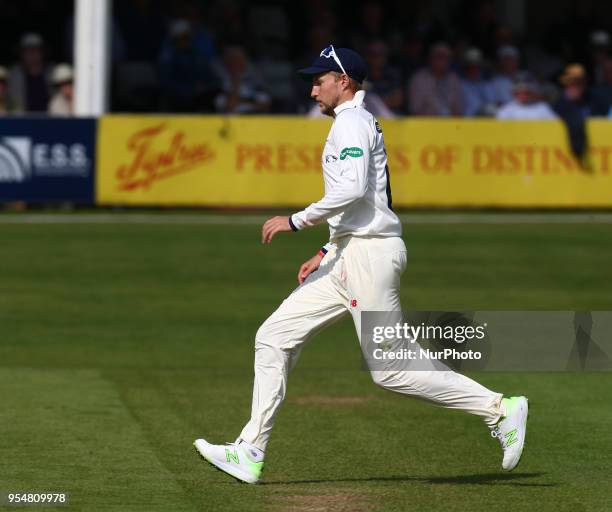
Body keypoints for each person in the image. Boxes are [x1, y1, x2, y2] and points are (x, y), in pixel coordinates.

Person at [194, 45, 529, 484]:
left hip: (370, 255)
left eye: (319, 80)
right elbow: (358, 201)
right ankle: (250, 450)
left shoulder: (351, 123)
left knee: (390, 369)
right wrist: (327, 250)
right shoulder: (350, 122)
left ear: (344, 81)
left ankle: (499, 409)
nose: (313, 88)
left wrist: (296, 221)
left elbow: (352, 190)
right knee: (274, 336)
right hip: (350, 253)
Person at [409, 42, 463, 116]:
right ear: (431, 58)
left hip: (451, 124)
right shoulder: (419, 79)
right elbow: (415, 111)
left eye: (447, 58)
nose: (443, 61)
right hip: (425, 124)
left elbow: (458, 110)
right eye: (440, 57)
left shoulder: (454, 79)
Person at [7, 33, 53, 113]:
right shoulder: (13, 76)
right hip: (22, 123)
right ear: (21, 53)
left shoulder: (53, 72)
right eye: (27, 51)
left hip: (51, 122)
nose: (32, 54)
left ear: (42, 52)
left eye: (35, 50)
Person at [553, 64, 591, 159]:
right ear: (567, 85)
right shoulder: (559, 105)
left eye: (579, 83)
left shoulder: (592, 100)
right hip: (565, 153)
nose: (576, 87)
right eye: (572, 83)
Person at [461, 47, 496, 116]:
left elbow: (493, 105)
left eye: (477, 66)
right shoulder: (460, 85)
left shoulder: (487, 85)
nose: (475, 70)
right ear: (466, 68)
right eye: (471, 67)